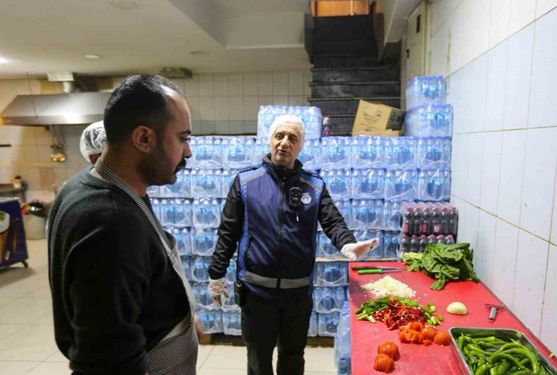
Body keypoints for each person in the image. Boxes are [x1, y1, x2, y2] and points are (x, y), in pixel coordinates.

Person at [48, 74, 198, 375]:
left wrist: (176, 315)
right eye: (182, 138)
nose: (188, 152)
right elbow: (105, 358)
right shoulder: (111, 222)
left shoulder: (94, 186)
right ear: (143, 138)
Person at [208, 115, 377, 375]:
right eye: (279, 136)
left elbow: (333, 222)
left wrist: (347, 245)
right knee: (258, 361)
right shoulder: (246, 182)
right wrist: (216, 274)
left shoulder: (314, 185)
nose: (284, 143)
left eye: (292, 138)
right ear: (270, 141)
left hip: (297, 296)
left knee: (293, 359)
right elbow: (228, 231)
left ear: (300, 147)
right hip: (256, 293)